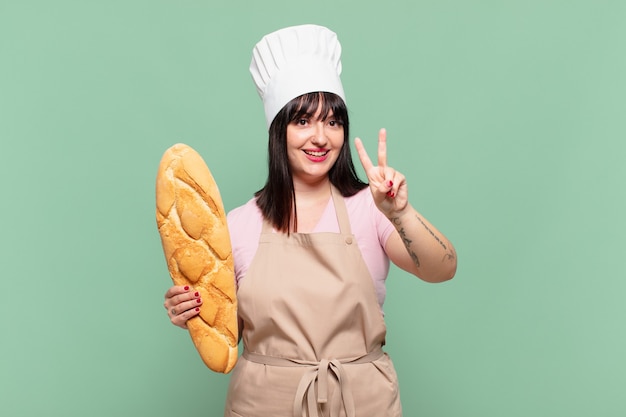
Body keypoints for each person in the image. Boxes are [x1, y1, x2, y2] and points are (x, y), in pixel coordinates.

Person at [163, 24, 457, 417]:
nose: (321, 137)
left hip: (361, 402)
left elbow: (443, 269)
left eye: (333, 122)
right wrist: (190, 311)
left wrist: (400, 212)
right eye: (303, 121)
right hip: (263, 404)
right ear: (278, 131)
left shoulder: (370, 209)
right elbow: (222, 325)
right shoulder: (239, 224)